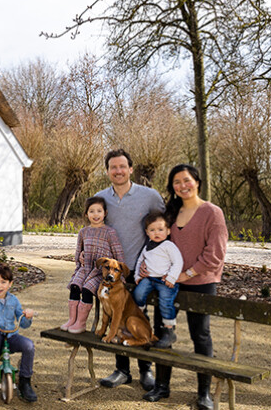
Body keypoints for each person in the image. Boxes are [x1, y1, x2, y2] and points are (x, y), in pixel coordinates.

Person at [142, 164, 228, 410]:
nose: (182, 186)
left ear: (197, 182)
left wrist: (186, 274)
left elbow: (215, 255)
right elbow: (157, 244)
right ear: (173, 188)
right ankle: (162, 385)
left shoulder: (212, 213)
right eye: (176, 182)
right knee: (162, 332)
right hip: (168, 284)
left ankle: (204, 394)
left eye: (186, 180)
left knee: (200, 335)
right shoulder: (170, 214)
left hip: (201, 283)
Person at [94, 149, 165, 391]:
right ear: (107, 171)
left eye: (122, 166)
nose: (118, 171)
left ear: (131, 169)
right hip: (114, 275)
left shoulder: (150, 196)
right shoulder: (100, 199)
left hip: (141, 271)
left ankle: (146, 370)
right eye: (113, 167)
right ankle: (122, 370)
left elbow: (164, 228)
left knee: (139, 318)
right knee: (117, 317)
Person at [61, 197, 125, 334]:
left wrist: (121, 276)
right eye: (91, 211)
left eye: (99, 211)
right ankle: (72, 319)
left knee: (86, 290)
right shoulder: (83, 232)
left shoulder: (110, 232)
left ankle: (81, 323)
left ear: (105, 213)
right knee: (74, 286)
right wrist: (78, 264)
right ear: (86, 214)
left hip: (99, 273)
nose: (95, 215)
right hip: (85, 268)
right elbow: (79, 251)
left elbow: (118, 254)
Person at [0, 261, 37, 402]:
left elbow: (23, 324)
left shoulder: (14, 300)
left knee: (29, 346)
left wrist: (27, 316)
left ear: (10, 284)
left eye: (3, 282)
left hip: (11, 336)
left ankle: (25, 381)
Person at [133, 210, 184, 349]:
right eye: (152, 230)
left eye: (160, 229)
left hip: (164, 280)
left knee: (165, 302)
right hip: (149, 278)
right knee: (138, 293)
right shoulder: (148, 246)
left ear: (168, 231)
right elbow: (139, 262)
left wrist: (172, 277)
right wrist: (138, 276)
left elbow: (178, 262)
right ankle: (142, 318)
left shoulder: (169, 246)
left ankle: (169, 331)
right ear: (147, 232)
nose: (156, 233)